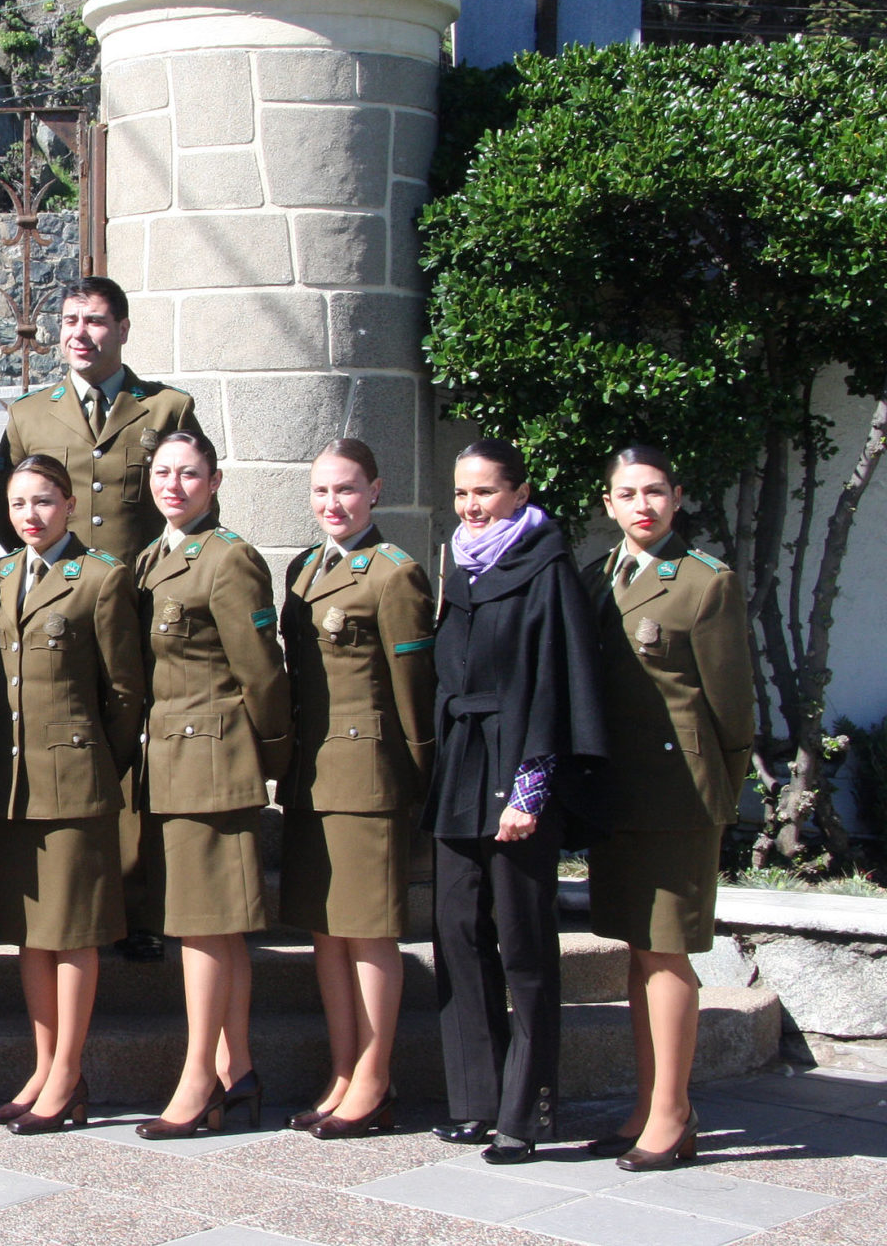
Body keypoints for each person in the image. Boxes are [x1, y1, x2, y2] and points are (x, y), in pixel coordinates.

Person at [0, 277, 203, 963]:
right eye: (69, 320)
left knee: (136, 751)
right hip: (65, 608)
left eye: (95, 321)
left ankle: (139, 905)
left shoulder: (167, 407)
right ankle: (87, 897)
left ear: (123, 328)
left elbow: (194, 501)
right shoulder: (29, 415)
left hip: (145, 605)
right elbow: (7, 516)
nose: (80, 332)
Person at [428, 438, 608, 1164]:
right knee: (457, 934)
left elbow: (559, 685)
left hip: (517, 775)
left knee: (525, 946)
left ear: (520, 492)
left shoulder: (547, 567)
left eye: (486, 492)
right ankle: (474, 1101)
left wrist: (530, 790)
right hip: (460, 771)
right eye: (462, 493)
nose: (472, 506)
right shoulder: (458, 566)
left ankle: (525, 1111)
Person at [580, 446, 753, 1172]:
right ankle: (649, 1103)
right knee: (637, 951)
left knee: (667, 951)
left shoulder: (705, 585)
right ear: (609, 502)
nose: (643, 504)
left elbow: (732, 715)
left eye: (655, 491)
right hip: (617, 795)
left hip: (678, 797)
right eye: (629, 493)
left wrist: (719, 802)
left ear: (677, 497)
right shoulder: (596, 578)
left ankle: (675, 1112)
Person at [131, 432, 291, 1138]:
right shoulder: (150, 558)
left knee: (202, 926)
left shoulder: (228, 558)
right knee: (217, 926)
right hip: (172, 759)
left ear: (215, 479)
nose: (174, 484)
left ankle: (198, 1078)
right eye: (163, 471)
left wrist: (271, 756)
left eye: (189, 473)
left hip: (215, 760)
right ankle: (239, 1069)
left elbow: (261, 670)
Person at [0, 454, 144, 1134]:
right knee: (31, 934)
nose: (31, 515)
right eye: (19, 504)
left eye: (44, 501)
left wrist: (96, 760)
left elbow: (125, 693)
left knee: (74, 933)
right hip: (14, 780)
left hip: (75, 778)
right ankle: (44, 1064)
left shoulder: (100, 579)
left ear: (70, 504)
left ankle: (70, 1072)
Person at [279, 439, 435, 1139]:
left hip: (370, 776)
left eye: (345, 490)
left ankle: (375, 1079)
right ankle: (344, 1071)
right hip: (312, 775)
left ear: (375, 489)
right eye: (320, 493)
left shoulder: (394, 574)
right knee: (327, 932)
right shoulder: (305, 570)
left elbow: (414, 696)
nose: (332, 505)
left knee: (369, 933)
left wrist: (420, 780)